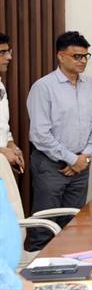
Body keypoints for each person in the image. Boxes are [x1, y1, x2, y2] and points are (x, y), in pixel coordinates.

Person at [27, 31, 92, 251]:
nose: (82, 61)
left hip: (81, 166)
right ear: (60, 56)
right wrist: (72, 159)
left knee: (74, 226)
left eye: (86, 56)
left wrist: (84, 158)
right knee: (44, 227)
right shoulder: (43, 87)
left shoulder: (90, 85)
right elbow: (40, 134)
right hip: (51, 166)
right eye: (77, 56)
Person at [0, 33, 24, 213]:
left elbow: (3, 125)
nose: (9, 57)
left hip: (2, 164)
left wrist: (11, 144)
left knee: (10, 220)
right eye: (2, 53)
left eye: (9, 51)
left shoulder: (1, 85)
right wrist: (2, 151)